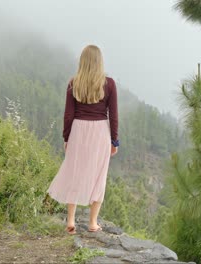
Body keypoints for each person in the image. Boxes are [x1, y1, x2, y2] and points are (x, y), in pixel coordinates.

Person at [46, 45, 119, 235]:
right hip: (100, 131)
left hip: (78, 130)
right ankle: (93, 222)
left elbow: (68, 115)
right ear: (100, 61)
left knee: (74, 173)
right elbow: (114, 115)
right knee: (99, 175)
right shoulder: (109, 84)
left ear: (82, 61)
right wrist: (114, 140)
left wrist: (66, 137)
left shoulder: (74, 83)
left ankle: (70, 221)